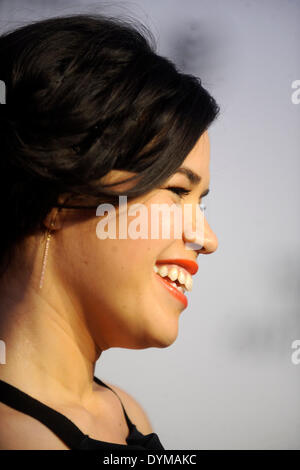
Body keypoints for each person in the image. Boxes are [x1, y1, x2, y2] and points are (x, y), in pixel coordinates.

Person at [0, 13, 219, 450]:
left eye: (202, 203)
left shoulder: (126, 413)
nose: (207, 238)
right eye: (177, 190)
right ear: (57, 200)